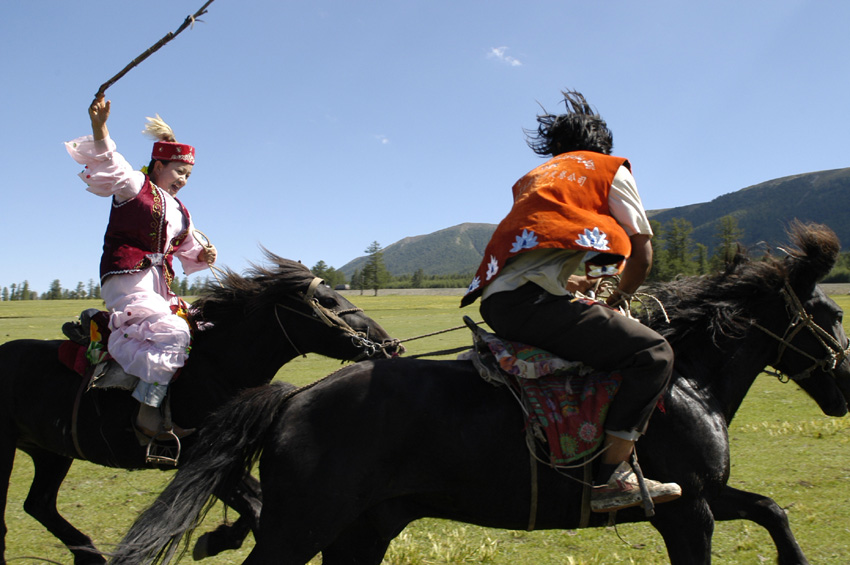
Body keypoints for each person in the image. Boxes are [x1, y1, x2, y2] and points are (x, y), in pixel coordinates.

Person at [461, 90, 681, 513]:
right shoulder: (608, 169)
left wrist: (578, 281)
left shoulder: (538, 177)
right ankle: (611, 478)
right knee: (654, 354)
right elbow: (642, 254)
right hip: (532, 303)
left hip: (501, 301)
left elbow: (544, 251)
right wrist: (619, 297)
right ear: (602, 146)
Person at [66, 95, 216, 437]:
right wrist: (99, 128)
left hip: (158, 287)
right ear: (158, 166)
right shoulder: (136, 185)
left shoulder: (180, 211)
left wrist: (205, 255)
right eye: (179, 171)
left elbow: (189, 246)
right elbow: (110, 162)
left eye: (188, 175)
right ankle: (147, 414)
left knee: (205, 326)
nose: (184, 180)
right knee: (173, 333)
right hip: (128, 280)